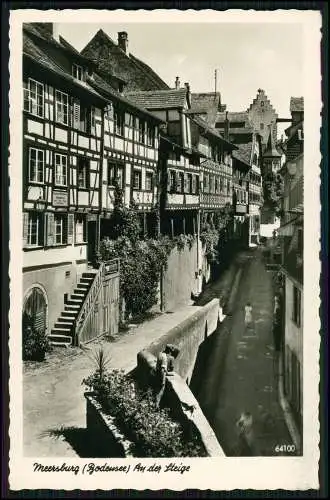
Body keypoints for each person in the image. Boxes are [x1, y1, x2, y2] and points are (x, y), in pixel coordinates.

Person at [155, 344, 179, 408]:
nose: (170, 353)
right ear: (169, 351)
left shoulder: (160, 353)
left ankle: (155, 405)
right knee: (160, 392)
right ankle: (156, 406)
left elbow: (159, 367)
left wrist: (167, 373)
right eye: (170, 351)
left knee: (157, 391)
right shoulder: (165, 357)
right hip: (160, 376)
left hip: (156, 373)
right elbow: (162, 370)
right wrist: (163, 380)